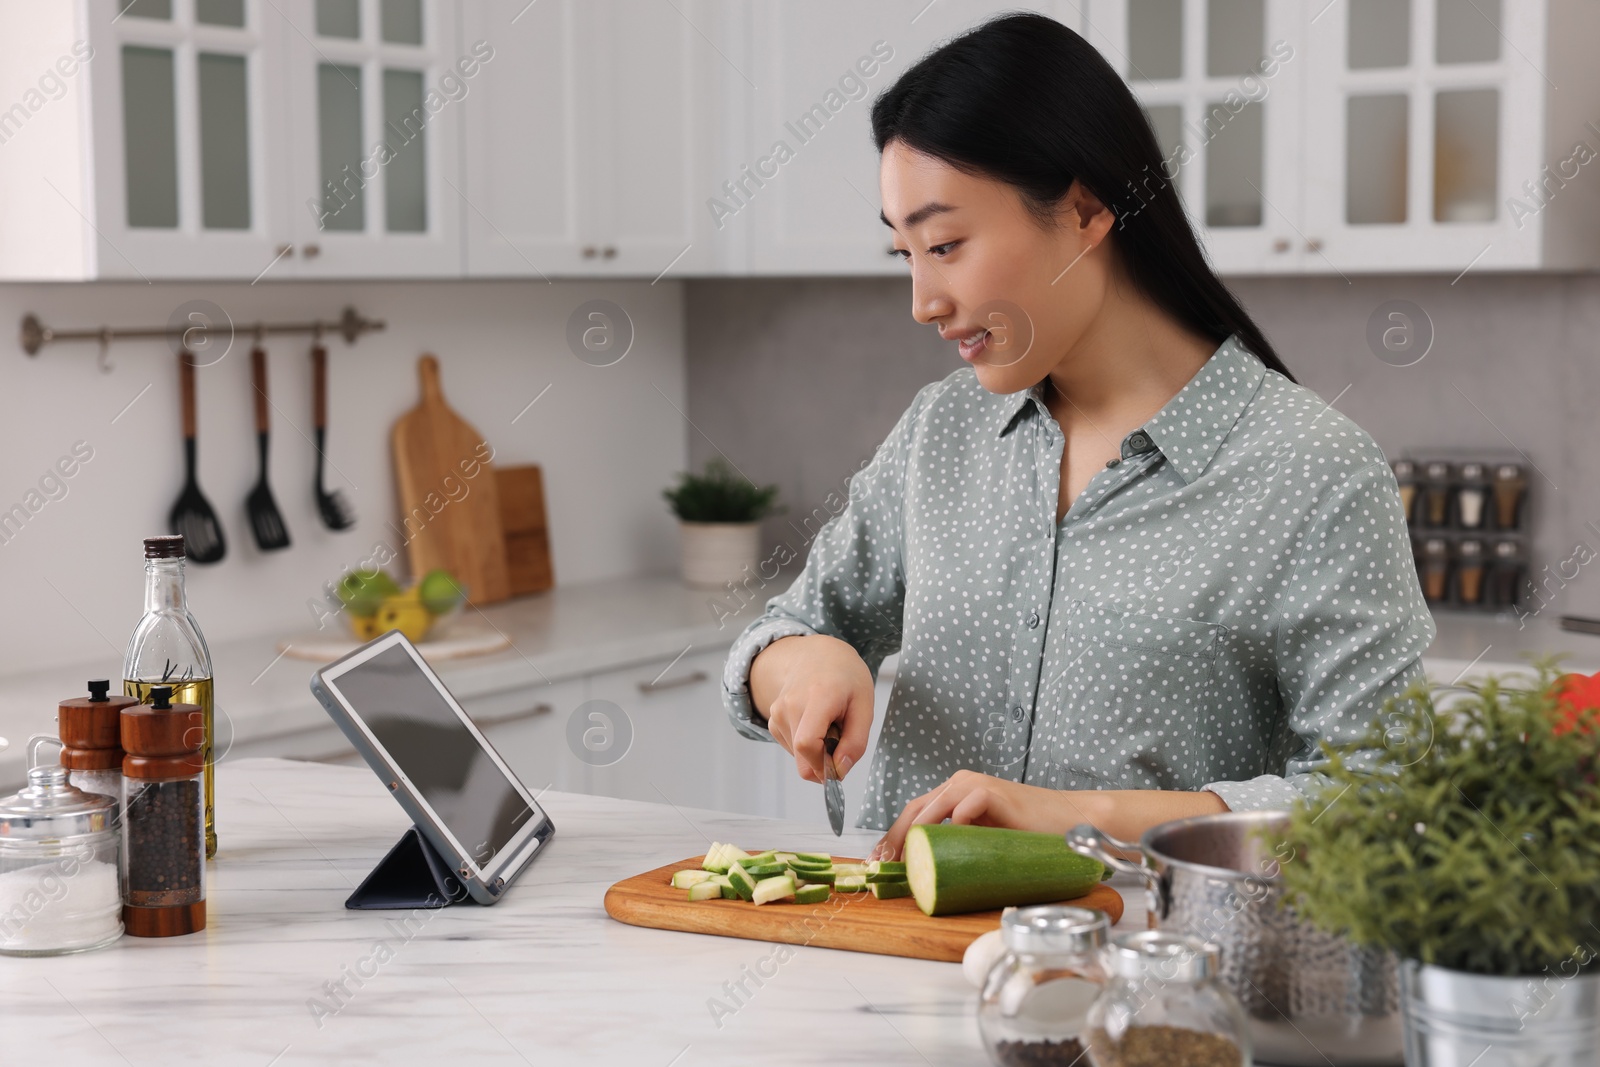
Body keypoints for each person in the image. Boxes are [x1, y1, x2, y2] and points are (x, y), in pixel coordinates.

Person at [719, 13, 1434, 861]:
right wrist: (803, 665)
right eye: (904, 254)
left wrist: (1075, 814)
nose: (923, 301)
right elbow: (783, 631)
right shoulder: (942, 431)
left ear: (1087, 209)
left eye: (945, 244)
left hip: (1149, 972)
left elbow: (1377, 802)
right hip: (898, 959)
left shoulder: (1313, 470)